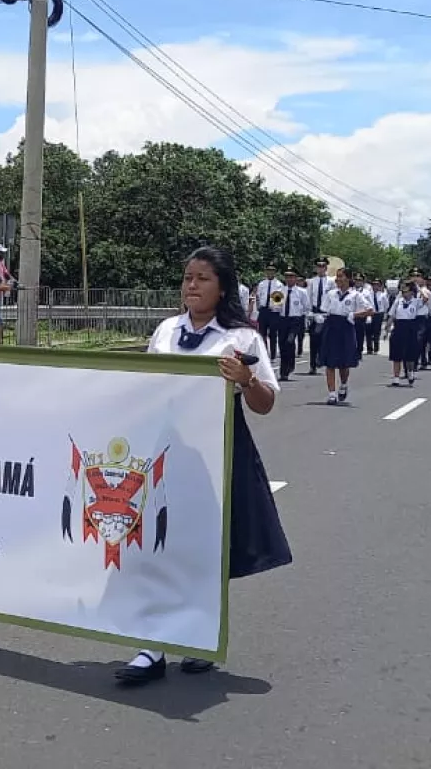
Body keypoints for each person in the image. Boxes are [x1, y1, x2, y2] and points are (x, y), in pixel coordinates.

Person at [117, 245, 291, 686]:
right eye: (187, 277)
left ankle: (198, 637)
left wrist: (246, 379)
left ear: (222, 287)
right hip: (164, 448)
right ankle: (151, 645)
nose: (191, 286)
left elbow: (266, 403)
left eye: (202, 278)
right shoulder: (166, 330)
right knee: (156, 540)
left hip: (218, 447)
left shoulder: (242, 338)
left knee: (205, 546)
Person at [320, 267, 373, 405]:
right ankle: (331, 394)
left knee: (344, 363)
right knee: (330, 362)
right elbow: (324, 309)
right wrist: (320, 317)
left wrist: (355, 315)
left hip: (346, 327)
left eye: (341, 276)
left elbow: (370, 310)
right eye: (337, 277)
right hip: (331, 326)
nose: (338, 279)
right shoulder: (331, 294)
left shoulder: (355, 295)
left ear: (348, 278)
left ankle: (343, 384)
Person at [385, 280, 421, 387]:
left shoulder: (416, 301)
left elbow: (426, 299)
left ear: (412, 292)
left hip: (411, 328)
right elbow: (392, 315)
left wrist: (417, 287)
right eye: (403, 292)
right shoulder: (398, 301)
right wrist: (387, 329)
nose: (405, 294)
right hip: (399, 327)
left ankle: (410, 372)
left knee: (410, 355)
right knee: (396, 354)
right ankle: (396, 377)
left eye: (407, 291)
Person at [276, 267, 308, 381]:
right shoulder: (279, 291)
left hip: (295, 320)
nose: (289, 279)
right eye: (287, 277)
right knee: (282, 344)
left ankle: (290, 364)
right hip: (283, 319)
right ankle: (283, 371)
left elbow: (306, 307)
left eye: (291, 277)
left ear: (295, 278)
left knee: (290, 341)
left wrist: (302, 317)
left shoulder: (301, 292)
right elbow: (274, 306)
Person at [305, 258, 333, 375]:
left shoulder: (331, 282)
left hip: (325, 313)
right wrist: (309, 312)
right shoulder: (311, 281)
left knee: (323, 339)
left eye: (323, 266)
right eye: (319, 266)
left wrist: (329, 313)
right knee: (313, 340)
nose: (321, 268)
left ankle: (320, 359)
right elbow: (309, 297)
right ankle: (312, 365)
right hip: (315, 312)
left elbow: (332, 297)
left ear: (326, 268)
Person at [253, 264, 284, 360]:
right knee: (262, 333)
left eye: (272, 271)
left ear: (275, 272)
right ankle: (264, 352)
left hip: (273, 311)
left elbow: (279, 298)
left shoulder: (279, 284)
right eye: (268, 270)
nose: (270, 272)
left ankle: (273, 354)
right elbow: (258, 296)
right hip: (263, 310)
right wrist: (259, 307)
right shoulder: (262, 284)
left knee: (273, 334)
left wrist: (274, 307)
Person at [367, 279, 389, 355]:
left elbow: (386, 305)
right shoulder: (368, 294)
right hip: (370, 313)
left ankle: (376, 349)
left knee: (377, 332)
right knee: (369, 331)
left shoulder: (382, 295)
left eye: (377, 285)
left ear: (379, 286)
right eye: (374, 284)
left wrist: (383, 313)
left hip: (379, 314)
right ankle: (369, 348)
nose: (375, 286)